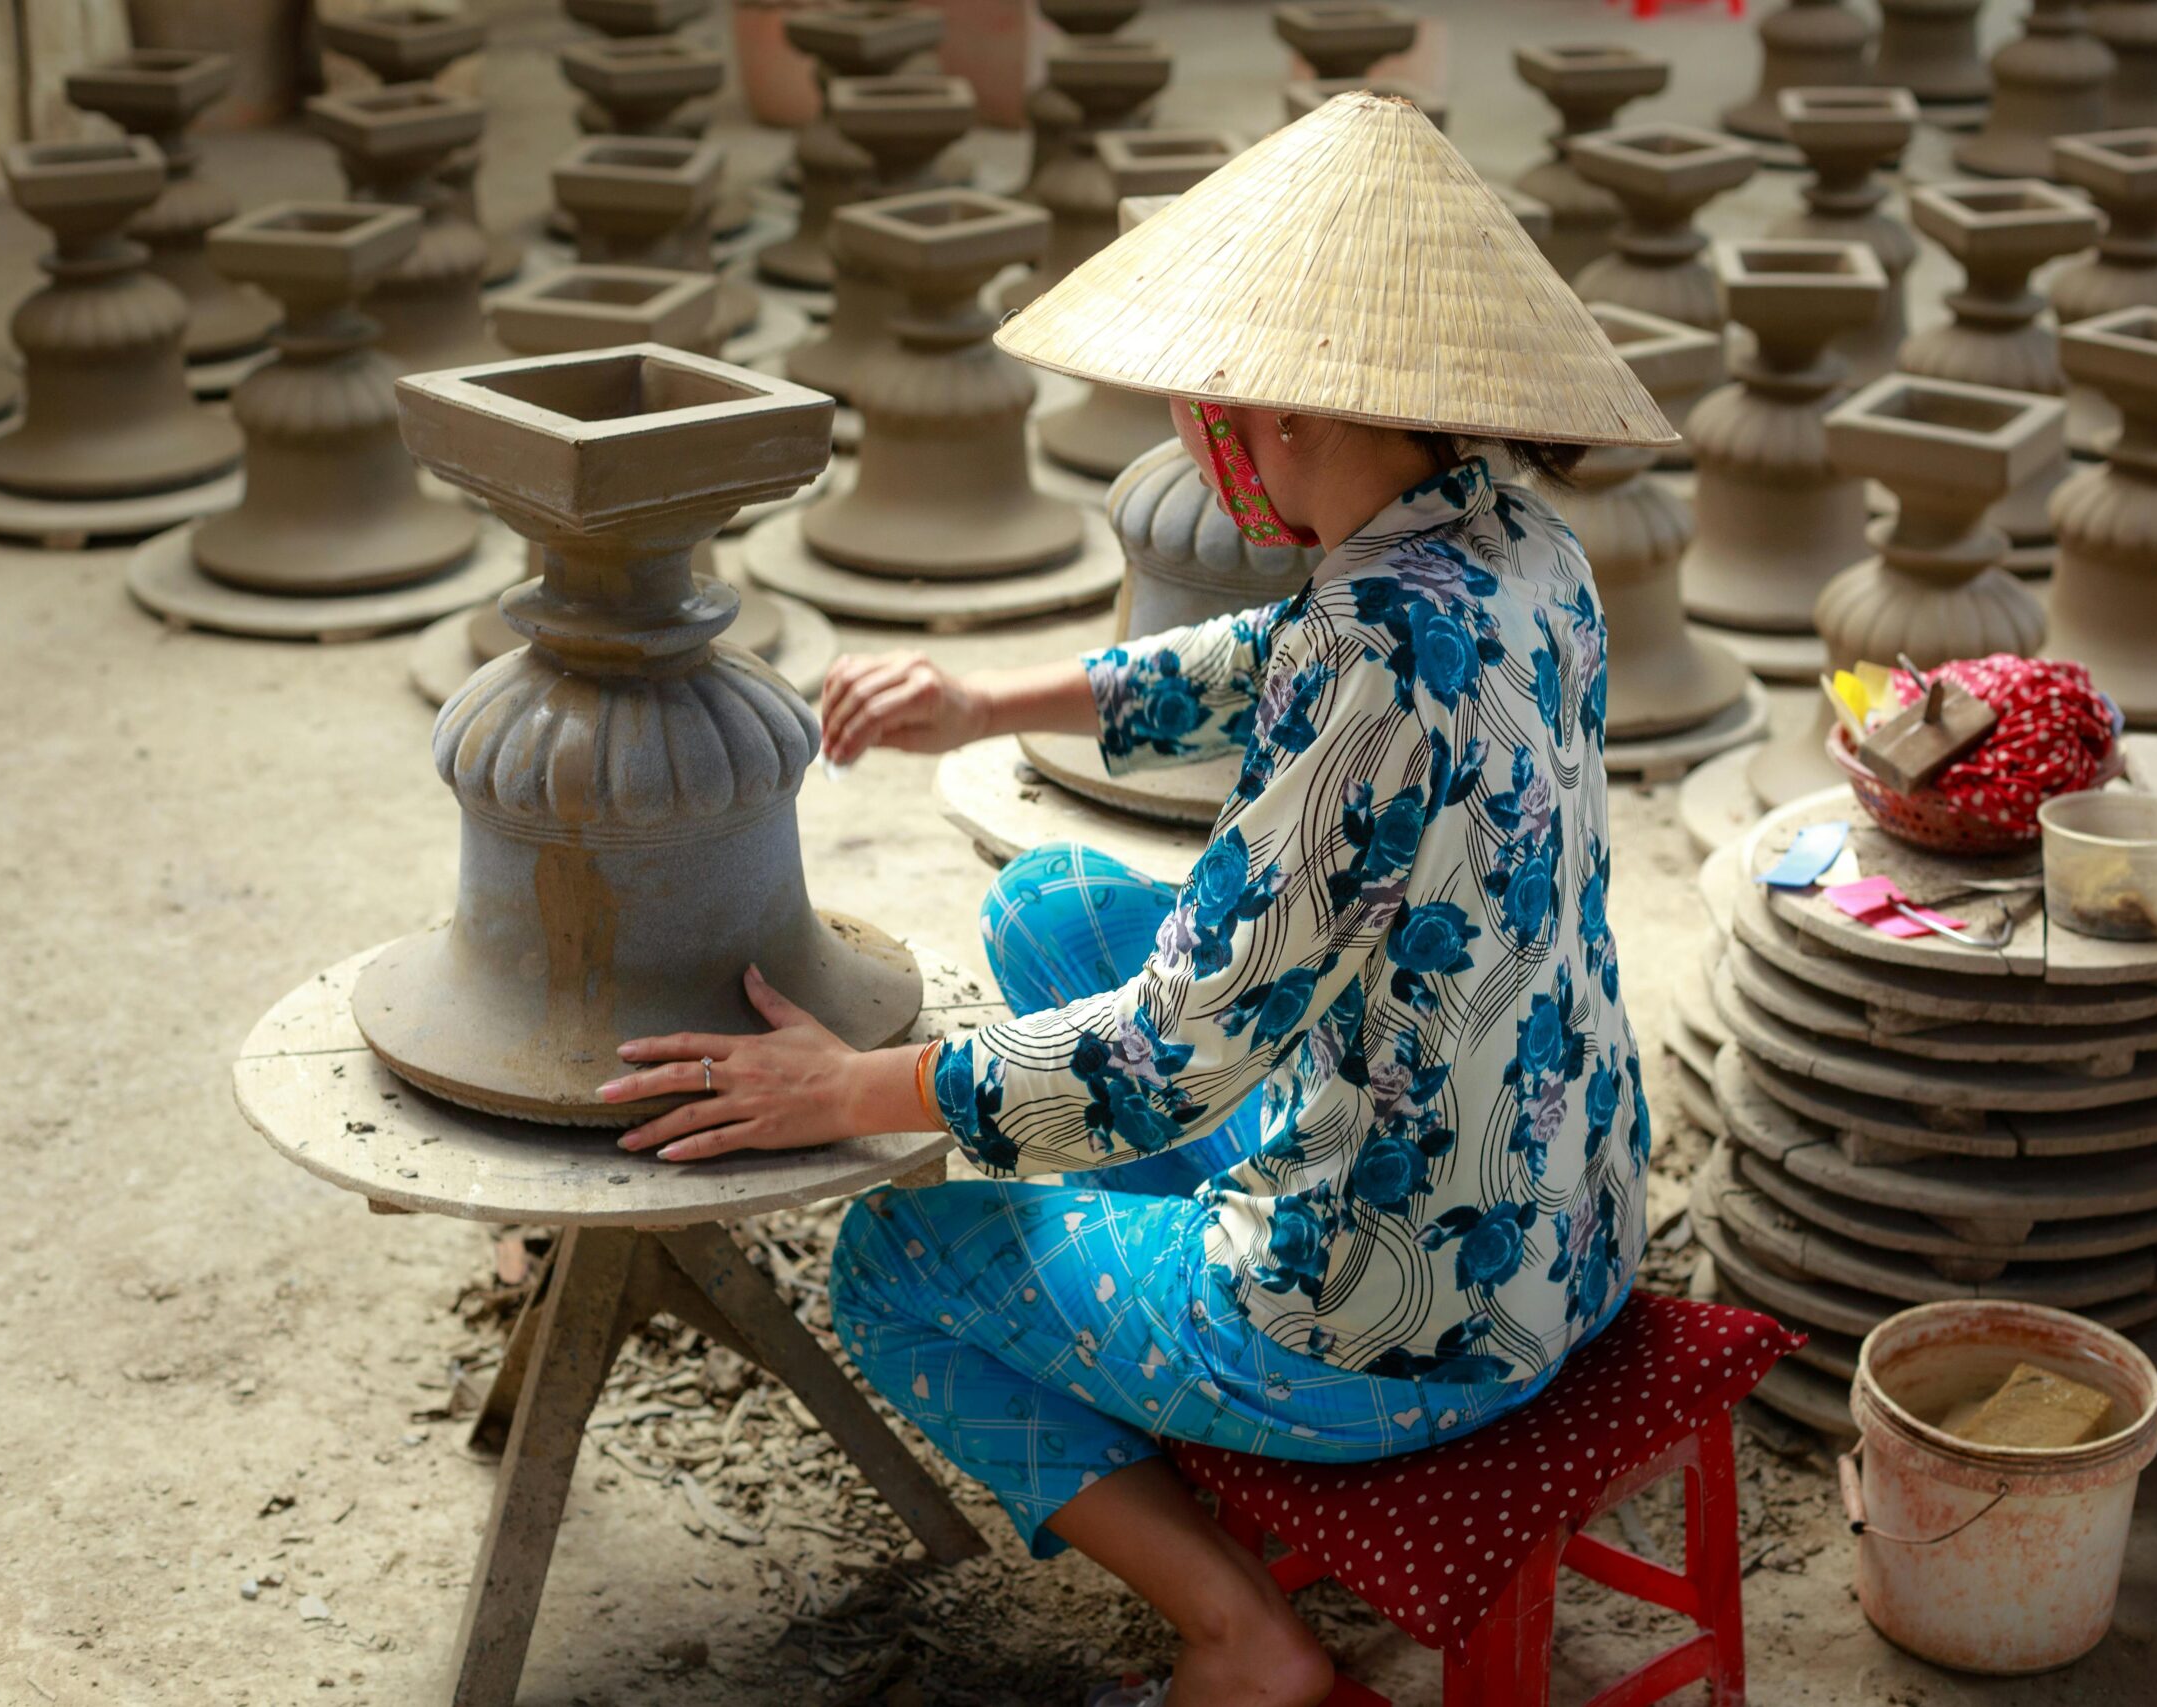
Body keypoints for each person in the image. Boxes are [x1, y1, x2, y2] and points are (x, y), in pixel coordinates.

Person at [593, 94, 1678, 1707]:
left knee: (890, 1262)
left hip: (1398, 1327)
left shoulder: (1371, 665)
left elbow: (1164, 1059)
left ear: (1271, 417)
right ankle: (1149, 1276)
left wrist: (853, 1088)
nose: (1186, 434)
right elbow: (1259, 657)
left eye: (1193, 408)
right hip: (1565, 1213)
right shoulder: (1518, 544)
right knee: (1051, 903)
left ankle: (1244, 1638)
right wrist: (989, 700)